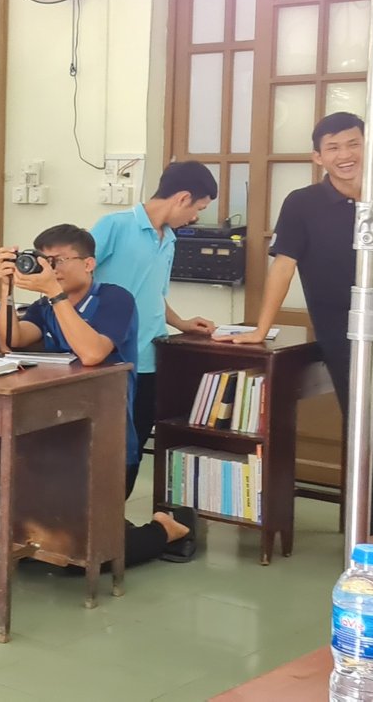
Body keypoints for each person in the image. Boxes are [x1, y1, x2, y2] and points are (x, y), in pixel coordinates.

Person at [0, 224, 197, 565]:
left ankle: (166, 529)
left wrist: (55, 294)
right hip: (56, 436)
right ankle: (89, 529)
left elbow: (91, 353)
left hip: (107, 442)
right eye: (43, 260)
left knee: (84, 557)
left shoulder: (115, 299)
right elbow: (12, 340)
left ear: (88, 264)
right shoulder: (44, 307)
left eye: (58, 261)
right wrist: (6, 288)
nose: (50, 269)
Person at [224, 112, 373, 534]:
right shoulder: (303, 203)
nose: (345, 155)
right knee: (367, 425)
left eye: (353, 143)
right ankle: (371, 530)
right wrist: (260, 328)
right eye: (333, 147)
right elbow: (283, 267)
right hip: (344, 334)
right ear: (318, 157)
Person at [90, 160, 218, 494]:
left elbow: (154, 293)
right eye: (198, 209)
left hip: (149, 360)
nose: (195, 218)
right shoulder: (114, 226)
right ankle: (95, 519)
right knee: (103, 449)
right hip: (109, 360)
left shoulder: (169, 239)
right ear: (182, 198)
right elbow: (74, 275)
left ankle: (115, 519)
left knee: (132, 451)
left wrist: (181, 322)